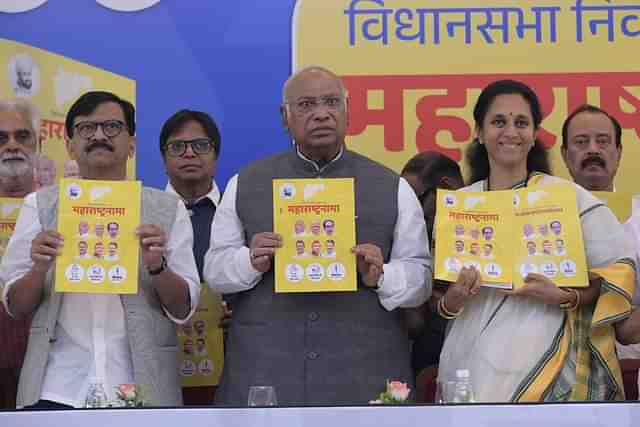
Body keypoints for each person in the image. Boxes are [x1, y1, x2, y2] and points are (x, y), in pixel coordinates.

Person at [204, 66, 430, 406]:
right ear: (285, 117)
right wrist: (248, 262)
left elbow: (421, 278)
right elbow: (215, 270)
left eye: (331, 102)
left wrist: (383, 275)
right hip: (267, 372)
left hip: (364, 374)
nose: (321, 114)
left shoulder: (392, 186)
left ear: (348, 111)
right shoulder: (245, 182)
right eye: (306, 104)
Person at [438, 80, 635, 402]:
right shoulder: (459, 205)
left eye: (521, 122)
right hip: (468, 362)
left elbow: (617, 273)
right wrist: (454, 299)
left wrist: (564, 296)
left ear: (534, 133)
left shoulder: (568, 198)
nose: (510, 132)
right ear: (479, 131)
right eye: (498, 122)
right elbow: (438, 302)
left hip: (547, 366)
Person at [0, 91, 200, 408]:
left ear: (132, 143)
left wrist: (157, 266)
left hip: (141, 386)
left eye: (112, 127)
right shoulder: (39, 205)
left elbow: (182, 309)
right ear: (69, 144)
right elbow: (15, 306)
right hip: (56, 386)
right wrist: (39, 268)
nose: (99, 136)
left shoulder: (166, 208)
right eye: (86, 128)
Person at [560, 104, 640, 389]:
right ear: (564, 155)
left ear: (618, 153)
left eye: (603, 142)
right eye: (581, 142)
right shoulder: (543, 219)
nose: (592, 149)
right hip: (561, 371)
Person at [159, 109, 223, 405]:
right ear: (163, 158)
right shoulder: (142, 213)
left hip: (230, 359)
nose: (189, 154)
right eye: (177, 147)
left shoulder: (241, 212)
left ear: (216, 155)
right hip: (160, 355)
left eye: (200, 145)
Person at [399, 150, 464, 402]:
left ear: (446, 188)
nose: (408, 212)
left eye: (414, 201)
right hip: (425, 366)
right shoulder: (411, 240)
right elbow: (413, 324)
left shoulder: (490, 230)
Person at [0, 98, 39, 409]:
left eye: (22, 136)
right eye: (1, 138)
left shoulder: (63, 208)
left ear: (37, 144)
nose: (12, 146)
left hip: (44, 368)